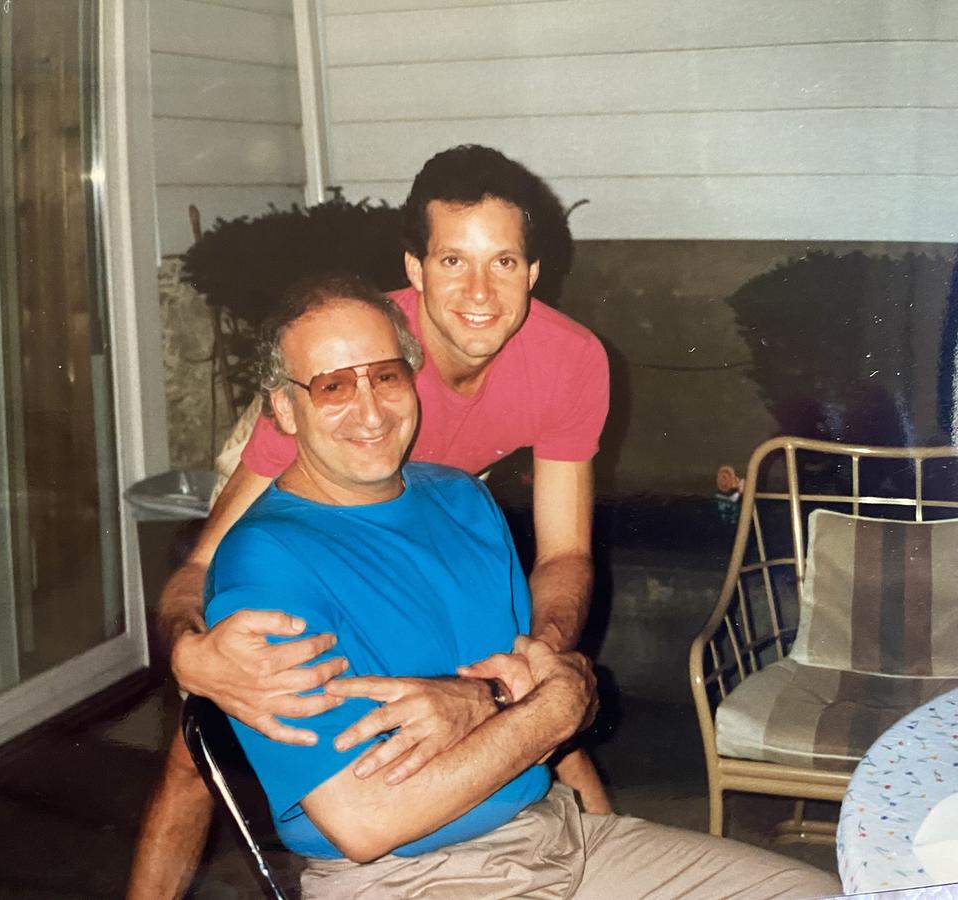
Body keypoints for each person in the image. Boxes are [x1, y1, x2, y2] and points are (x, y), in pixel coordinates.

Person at [203, 276, 840, 898]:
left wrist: (595, 813)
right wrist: (554, 710)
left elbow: (532, 692)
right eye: (333, 386)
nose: (370, 410)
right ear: (285, 409)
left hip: (556, 834)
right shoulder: (267, 564)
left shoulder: (460, 498)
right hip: (411, 875)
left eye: (387, 375)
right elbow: (368, 821)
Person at [129, 145, 610, 898]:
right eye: (453, 261)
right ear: (415, 271)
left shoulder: (571, 360)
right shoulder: (360, 365)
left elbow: (566, 552)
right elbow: (197, 568)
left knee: (532, 706)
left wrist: (532, 666)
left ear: (534, 270)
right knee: (199, 754)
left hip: (437, 493)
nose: (480, 292)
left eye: (504, 263)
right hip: (311, 470)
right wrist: (191, 657)